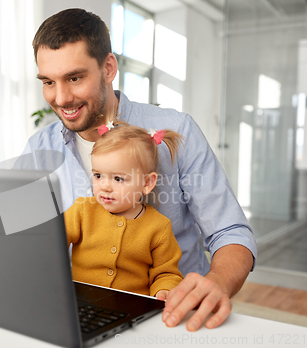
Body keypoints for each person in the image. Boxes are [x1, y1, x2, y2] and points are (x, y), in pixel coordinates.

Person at [21, 8, 257, 331]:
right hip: (79, 317)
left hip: (171, 319)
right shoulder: (38, 150)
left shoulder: (176, 129)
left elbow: (231, 232)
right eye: (48, 82)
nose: (61, 98)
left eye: (74, 78)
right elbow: (21, 242)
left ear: (108, 68)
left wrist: (218, 281)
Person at [65, 120, 184, 299]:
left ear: (147, 183)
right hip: (81, 302)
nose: (104, 186)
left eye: (118, 179)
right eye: (98, 175)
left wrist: (164, 291)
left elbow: (166, 273)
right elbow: (52, 243)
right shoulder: (82, 211)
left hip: (132, 309)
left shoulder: (159, 227)